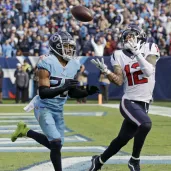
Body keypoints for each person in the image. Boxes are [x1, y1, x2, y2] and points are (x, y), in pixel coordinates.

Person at [11, 31, 99, 171]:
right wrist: (63, 87)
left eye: (71, 47)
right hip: (44, 106)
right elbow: (43, 93)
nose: (70, 50)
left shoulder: (73, 64)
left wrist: (86, 92)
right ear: (57, 47)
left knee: (56, 144)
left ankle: (25, 131)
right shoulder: (46, 62)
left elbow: (71, 91)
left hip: (58, 109)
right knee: (56, 144)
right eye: (66, 47)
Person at [90, 24, 160, 171]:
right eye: (126, 37)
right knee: (145, 124)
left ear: (140, 37)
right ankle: (134, 160)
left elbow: (148, 71)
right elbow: (119, 81)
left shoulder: (150, 47)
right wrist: (107, 72)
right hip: (129, 101)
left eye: (131, 36)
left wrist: (137, 53)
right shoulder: (118, 54)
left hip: (144, 103)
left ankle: (98, 161)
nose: (128, 39)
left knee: (122, 139)